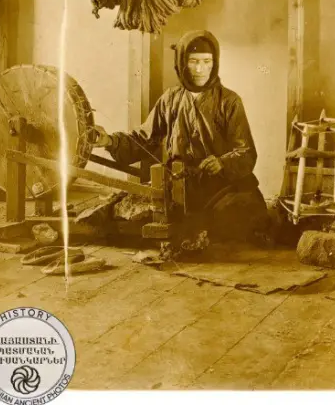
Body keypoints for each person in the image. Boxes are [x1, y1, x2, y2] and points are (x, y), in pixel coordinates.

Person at [92, 29, 274, 248]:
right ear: (181, 63)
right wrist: (109, 141)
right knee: (126, 225)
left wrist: (222, 163)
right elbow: (143, 139)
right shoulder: (170, 100)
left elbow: (246, 152)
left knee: (237, 222)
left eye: (207, 62)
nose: (200, 69)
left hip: (222, 189)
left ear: (215, 64)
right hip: (182, 187)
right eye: (193, 61)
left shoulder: (229, 101)